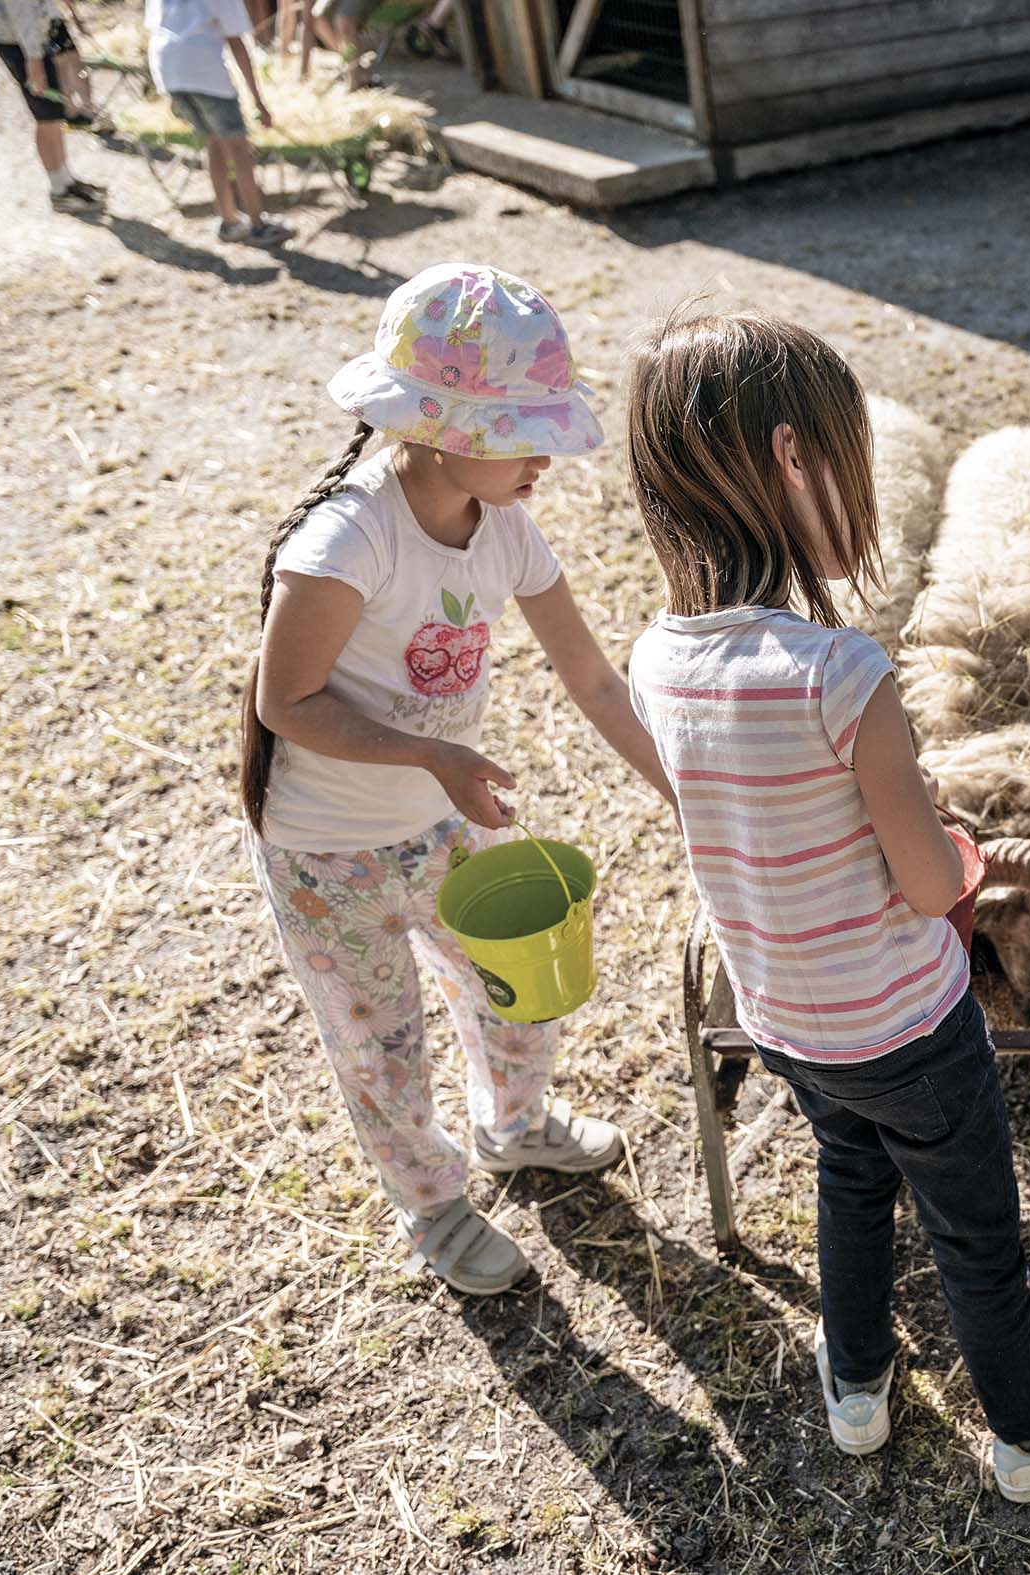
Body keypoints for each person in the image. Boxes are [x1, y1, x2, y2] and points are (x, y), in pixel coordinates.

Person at [622, 309, 1030, 1502]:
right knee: (972, 1232)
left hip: (788, 1022)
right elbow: (927, 880)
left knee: (847, 1185)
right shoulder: (840, 673)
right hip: (907, 1024)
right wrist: (962, 849)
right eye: (847, 463)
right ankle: (1025, 1428)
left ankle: (854, 1391)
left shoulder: (658, 657)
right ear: (794, 461)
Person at [241, 263, 672, 1295]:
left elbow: (595, 680)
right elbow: (284, 704)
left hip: (442, 824)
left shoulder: (508, 528)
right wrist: (435, 754)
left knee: (518, 989)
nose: (546, 460)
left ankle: (513, 1125)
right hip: (327, 852)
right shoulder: (345, 541)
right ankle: (433, 1208)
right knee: (379, 1045)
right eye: (527, 434)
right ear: (447, 430)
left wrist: (688, 792)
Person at [144, 0, 292, 245]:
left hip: (167, 70)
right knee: (239, 150)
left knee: (213, 143)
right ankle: (258, 225)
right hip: (203, 70)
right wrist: (258, 101)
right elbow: (237, 43)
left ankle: (229, 220)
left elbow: (154, 26)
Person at [0, 0, 107, 212]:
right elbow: (19, 10)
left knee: (54, 115)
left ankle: (66, 180)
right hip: (20, 40)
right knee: (46, 116)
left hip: (36, 32)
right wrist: (35, 60)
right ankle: (60, 191)